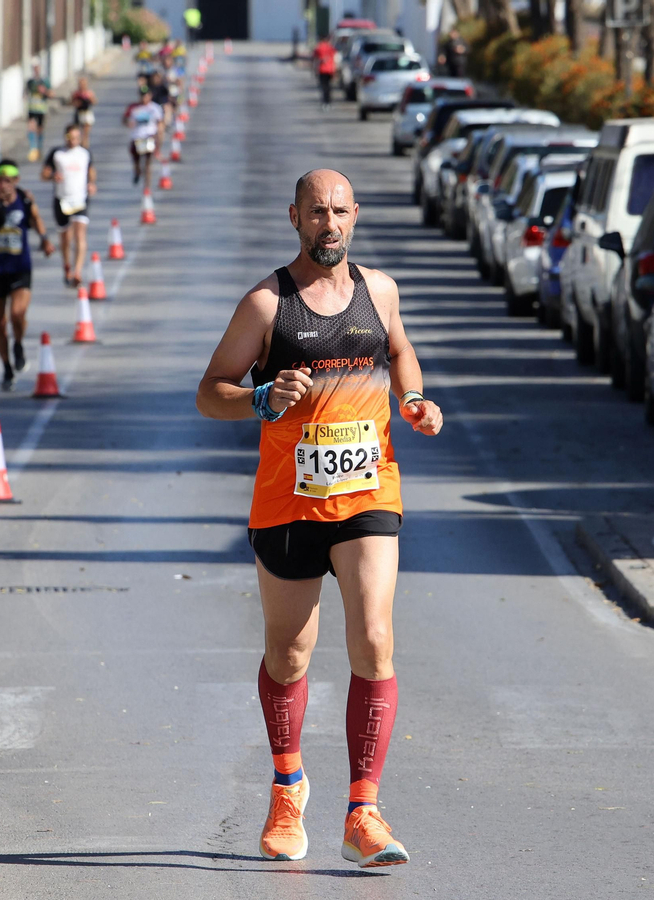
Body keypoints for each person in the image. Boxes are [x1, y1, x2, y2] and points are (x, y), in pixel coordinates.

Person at [195, 169, 443, 868]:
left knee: (373, 636)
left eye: (338, 212)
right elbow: (210, 393)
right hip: (287, 502)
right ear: (295, 218)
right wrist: (261, 397)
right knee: (290, 653)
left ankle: (364, 809)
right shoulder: (266, 305)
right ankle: (287, 786)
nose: (328, 224)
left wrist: (415, 396)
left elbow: (396, 348)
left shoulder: (381, 291)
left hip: (369, 493)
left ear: (354, 216)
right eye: (315, 213)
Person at [0, 159, 55, 391]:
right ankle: (6, 367)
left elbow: (35, 218)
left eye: (8, 181)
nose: (3, 185)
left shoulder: (24, 199)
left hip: (20, 267)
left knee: (17, 313)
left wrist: (45, 240)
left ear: (16, 181)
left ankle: (18, 343)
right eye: (0, 180)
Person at [40, 123, 96, 287]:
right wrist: (52, 177)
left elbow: (91, 171)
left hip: (80, 199)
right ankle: (67, 266)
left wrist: (92, 183)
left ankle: (77, 271)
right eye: (70, 138)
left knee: (80, 235)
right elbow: (44, 174)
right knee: (65, 238)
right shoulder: (57, 154)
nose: (73, 141)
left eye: (76, 138)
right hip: (61, 199)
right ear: (66, 138)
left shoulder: (85, 153)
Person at [123, 85, 165, 186]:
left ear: (150, 96)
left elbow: (160, 123)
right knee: (136, 161)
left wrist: (159, 138)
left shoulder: (155, 108)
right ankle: (137, 171)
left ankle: (147, 187)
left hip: (149, 137)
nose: (144, 98)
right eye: (142, 96)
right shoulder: (133, 107)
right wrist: (128, 123)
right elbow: (124, 119)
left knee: (148, 163)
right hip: (137, 137)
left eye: (146, 96)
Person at [25, 64, 52, 162]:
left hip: (41, 109)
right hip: (32, 108)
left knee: (39, 129)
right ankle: (33, 148)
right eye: (34, 68)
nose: (36, 70)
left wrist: (44, 91)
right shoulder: (30, 81)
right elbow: (25, 93)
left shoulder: (44, 81)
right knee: (31, 127)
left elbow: (51, 93)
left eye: (37, 68)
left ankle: (39, 148)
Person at [70, 77, 97, 147]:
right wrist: (76, 103)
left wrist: (90, 99)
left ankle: (85, 146)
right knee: (78, 131)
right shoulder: (76, 93)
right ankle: (79, 144)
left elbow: (94, 102)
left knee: (86, 133)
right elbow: (72, 102)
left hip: (87, 113)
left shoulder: (89, 93)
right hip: (79, 113)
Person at [313, 35, 337, 111]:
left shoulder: (318, 47)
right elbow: (335, 58)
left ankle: (325, 102)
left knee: (323, 87)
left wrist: (314, 70)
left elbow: (315, 59)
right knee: (329, 87)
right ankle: (328, 102)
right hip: (330, 70)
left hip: (322, 70)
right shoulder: (330, 47)